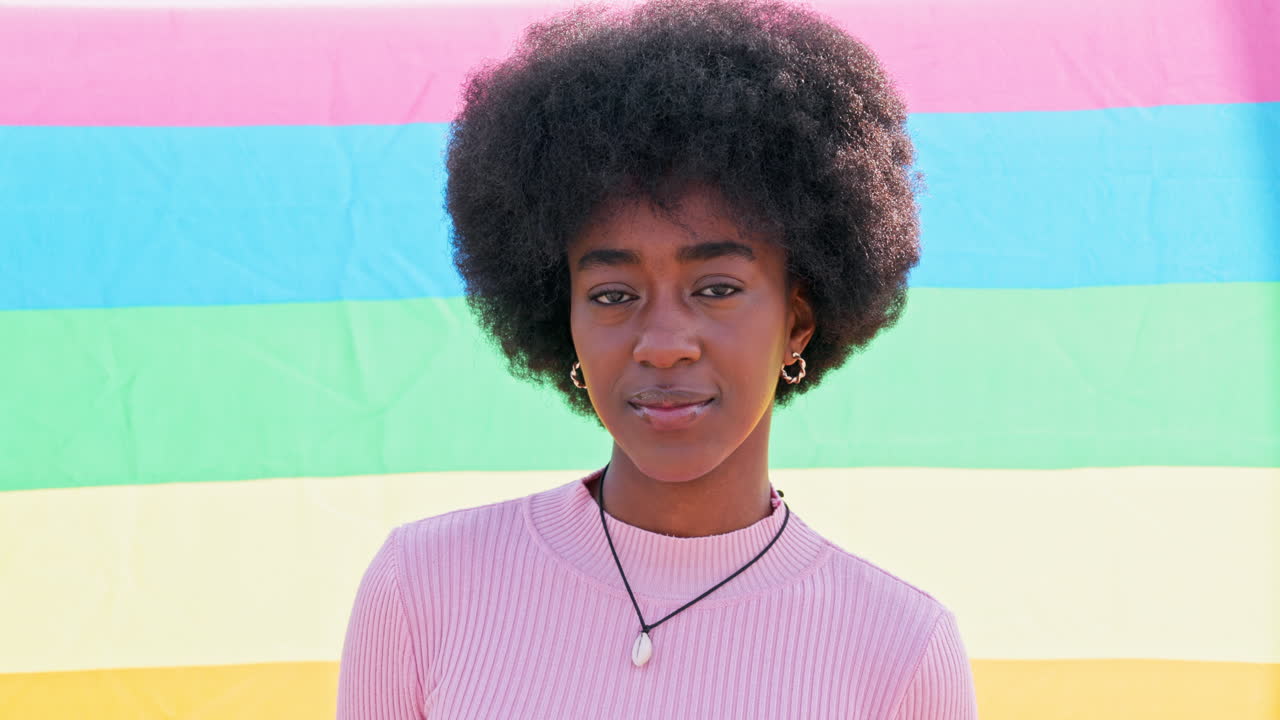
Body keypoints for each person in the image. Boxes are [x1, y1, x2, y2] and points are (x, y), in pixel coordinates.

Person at [337, 0, 978, 717]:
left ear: (797, 320)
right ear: (563, 315)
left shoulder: (899, 649)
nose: (664, 343)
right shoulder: (424, 585)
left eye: (716, 288)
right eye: (613, 294)